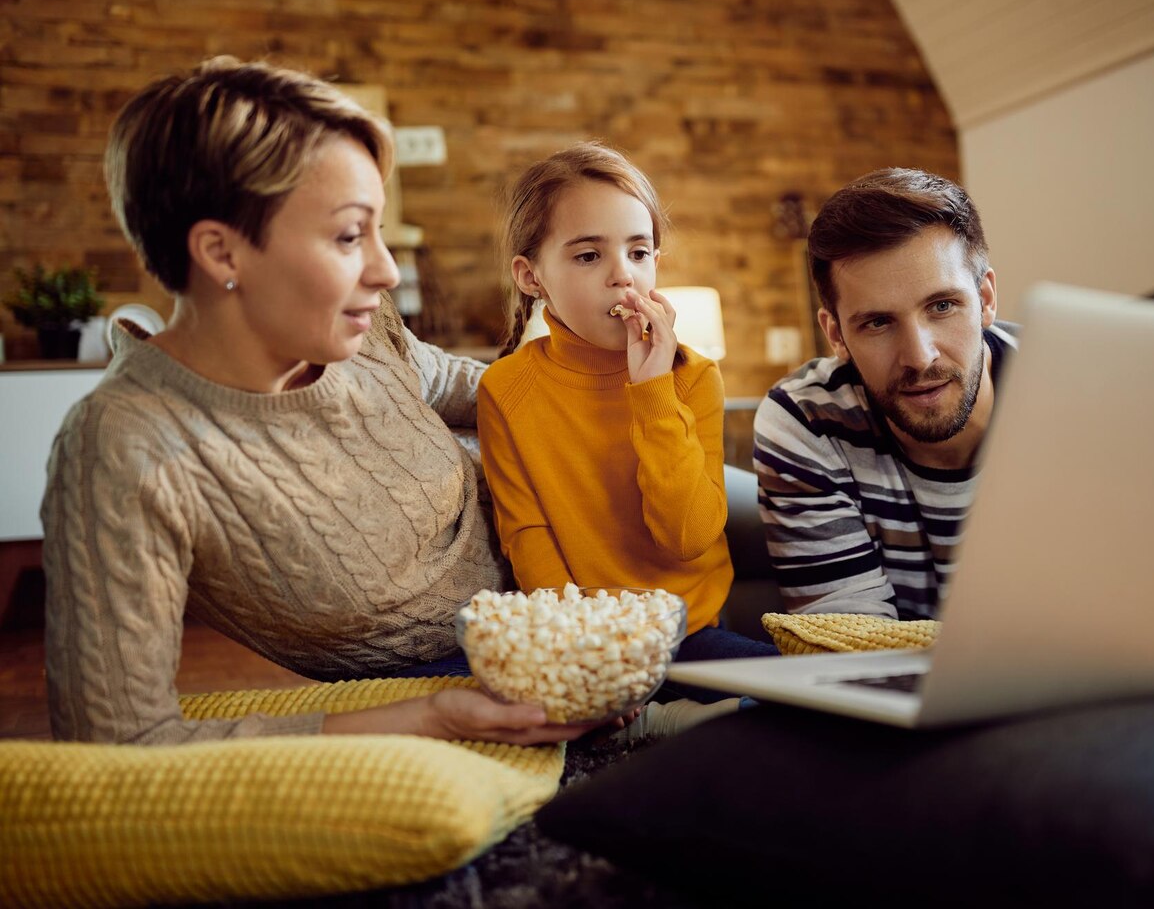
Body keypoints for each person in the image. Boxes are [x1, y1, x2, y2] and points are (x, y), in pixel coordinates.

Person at [42, 56, 587, 746]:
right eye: (349, 234)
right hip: (488, 671)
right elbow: (120, 745)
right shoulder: (125, 447)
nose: (385, 270)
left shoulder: (355, 330)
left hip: (587, 564)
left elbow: (476, 390)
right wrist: (427, 720)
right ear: (220, 252)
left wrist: (609, 393)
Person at [478, 142, 777, 724]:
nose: (623, 276)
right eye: (589, 257)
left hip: (689, 639)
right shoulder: (506, 388)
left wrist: (651, 391)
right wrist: (587, 659)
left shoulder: (693, 378)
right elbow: (527, 538)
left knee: (808, 708)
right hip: (586, 648)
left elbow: (688, 535)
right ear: (531, 276)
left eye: (639, 252)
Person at [752, 168, 1018, 620]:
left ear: (986, 299)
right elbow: (850, 648)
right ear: (835, 333)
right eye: (878, 322)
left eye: (942, 306)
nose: (919, 356)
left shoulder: (1075, 392)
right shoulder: (806, 421)